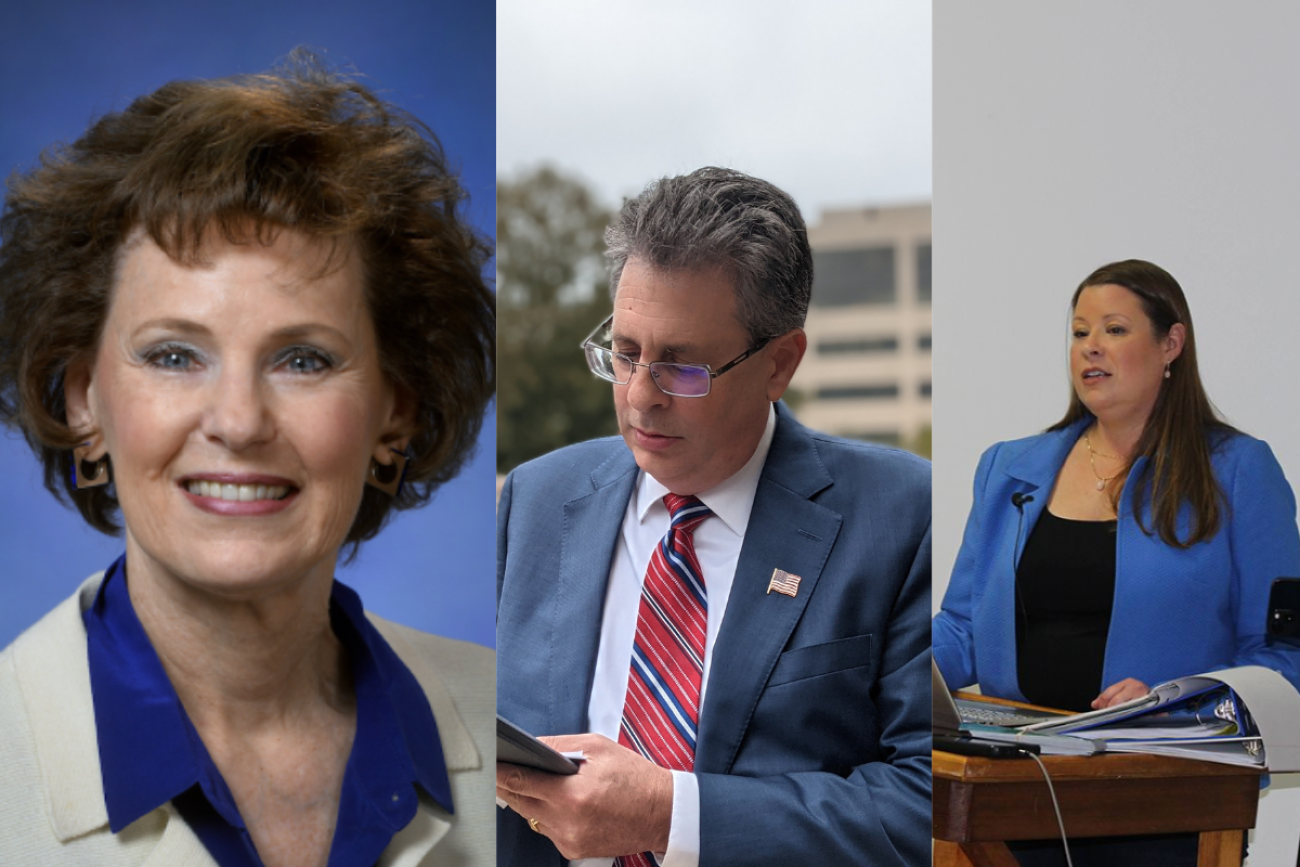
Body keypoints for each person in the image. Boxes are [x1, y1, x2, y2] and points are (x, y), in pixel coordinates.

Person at [0, 53, 496, 866]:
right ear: (84, 399)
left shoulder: (513, 725)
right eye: (172, 355)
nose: (238, 421)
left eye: (302, 359)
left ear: (395, 408)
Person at [495, 167, 931, 866]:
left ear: (780, 362)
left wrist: (671, 816)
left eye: (681, 367)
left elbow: (922, 803)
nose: (639, 396)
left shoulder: (902, 515)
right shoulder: (536, 499)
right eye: (625, 354)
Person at [932, 259, 1300, 865]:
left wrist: (1173, 708)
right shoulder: (1009, 468)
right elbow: (965, 628)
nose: (1090, 349)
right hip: (1013, 785)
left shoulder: (1237, 471)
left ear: (1170, 345)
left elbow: (1280, 656)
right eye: (1079, 333)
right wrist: (891, 671)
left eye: (1115, 330)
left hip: (1162, 791)